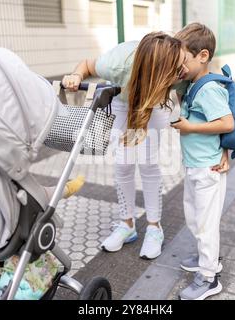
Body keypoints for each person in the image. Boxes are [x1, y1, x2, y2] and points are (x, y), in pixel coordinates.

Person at [63, 32, 188, 259]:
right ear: (159, 68)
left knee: (148, 165)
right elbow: (87, 65)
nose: (183, 71)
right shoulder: (117, 63)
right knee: (123, 164)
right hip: (124, 104)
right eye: (178, 68)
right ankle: (127, 224)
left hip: (154, 103)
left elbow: (184, 87)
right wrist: (75, 75)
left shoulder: (177, 63)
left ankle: (154, 228)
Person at [171, 23, 234, 300]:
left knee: (206, 224)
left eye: (182, 61)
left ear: (203, 56)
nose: (178, 67)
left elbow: (227, 123)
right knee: (195, 218)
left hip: (208, 169)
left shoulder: (209, 89)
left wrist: (190, 128)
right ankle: (207, 258)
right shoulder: (192, 84)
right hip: (196, 165)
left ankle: (209, 278)